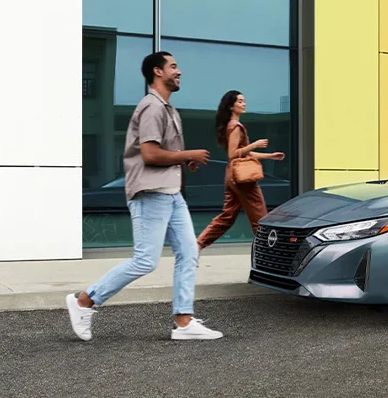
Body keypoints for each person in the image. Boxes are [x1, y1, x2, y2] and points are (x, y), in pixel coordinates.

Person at [66, 51, 224, 341]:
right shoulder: (151, 107)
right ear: (157, 72)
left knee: (189, 251)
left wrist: (181, 160)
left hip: (172, 193)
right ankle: (84, 301)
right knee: (145, 260)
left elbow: (163, 153)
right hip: (151, 193)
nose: (179, 71)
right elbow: (150, 154)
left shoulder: (169, 110)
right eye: (173, 66)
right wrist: (188, 153)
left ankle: (185, 322)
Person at [196, 90, 284, 252]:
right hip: (242, 177)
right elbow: (233, 154)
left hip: (233, 175)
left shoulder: (231, 125)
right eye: (240, 101)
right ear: (231, 106)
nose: (244, 104)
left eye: (244, 101)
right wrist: (255, 144)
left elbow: (244, 152)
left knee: (227, 216)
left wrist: (270, 156)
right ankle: (267, 253)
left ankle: (197, 245)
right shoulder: (235, 126)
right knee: (259, 217)